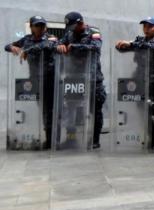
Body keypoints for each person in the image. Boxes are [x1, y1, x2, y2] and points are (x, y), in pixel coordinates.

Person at [115, 17, 154, 151]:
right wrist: (121, 45)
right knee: (142, 109)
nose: (146, 29)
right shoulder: (139, 41)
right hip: (142, 81)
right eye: (144, 26)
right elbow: (125, 48)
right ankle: (152, 137)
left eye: (149, 26)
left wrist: (131, 44)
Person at [5, 16, 58, 149]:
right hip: (34, 79)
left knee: (50, 110)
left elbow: (45, 46)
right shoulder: (26, 39)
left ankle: (51, 140)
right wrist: (12, 47)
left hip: (49, 80)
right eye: (37, 25)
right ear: (31, 27)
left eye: (42, 25)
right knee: (42, 109)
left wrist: (26, 50)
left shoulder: (51, 38)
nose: (40, 28)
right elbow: (7, 46)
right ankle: (45, 136)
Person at [56, 11, 105, 149]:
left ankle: (94, 140)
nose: (72, 30)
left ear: (80, 23)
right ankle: (71, 138)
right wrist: (59, 45)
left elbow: (96, 47)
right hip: (74, 78)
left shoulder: (93, 33)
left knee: (95, 109)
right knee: (71, 109)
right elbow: (59, 42)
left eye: (73, 26)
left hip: (92, 78)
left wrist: (75, 46)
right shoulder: (70, 34)